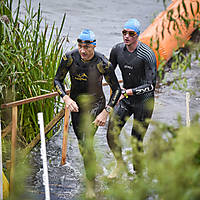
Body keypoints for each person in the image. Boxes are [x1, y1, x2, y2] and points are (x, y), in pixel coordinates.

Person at [54, 29, 121, 198]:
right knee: (83, 145)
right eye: (80, 46)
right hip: (76, 105)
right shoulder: (69, 58)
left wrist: (106, 112)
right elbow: (57, 80)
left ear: (94, 46)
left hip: (96, 105)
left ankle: (91, 186)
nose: (83, 51)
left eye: (87, 47)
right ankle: (93, 168)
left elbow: (117, 90)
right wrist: (66, 98)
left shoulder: (103, 63)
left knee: (86, 141)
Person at [107, 18, 157, 178]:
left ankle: (139, 176)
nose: (126, 36)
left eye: (131, 33)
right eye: (124, 32)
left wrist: (127, 92)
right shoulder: (117, 50)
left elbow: (151, 85)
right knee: (111, 133)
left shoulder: (147, 55)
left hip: (144, 102)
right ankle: (120, 164)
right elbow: (108, 72)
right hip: (126, 99)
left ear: (137, 35)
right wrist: (116, 90)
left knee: (136, 141)